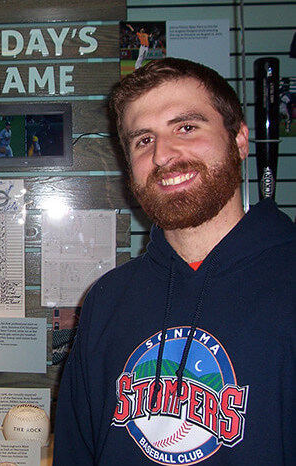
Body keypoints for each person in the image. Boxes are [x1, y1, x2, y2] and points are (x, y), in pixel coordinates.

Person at [53, 57, 296, 465]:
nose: (164, 154)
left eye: (186, 127)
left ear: (239, 140)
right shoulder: (108, 300)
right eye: (143, 140)